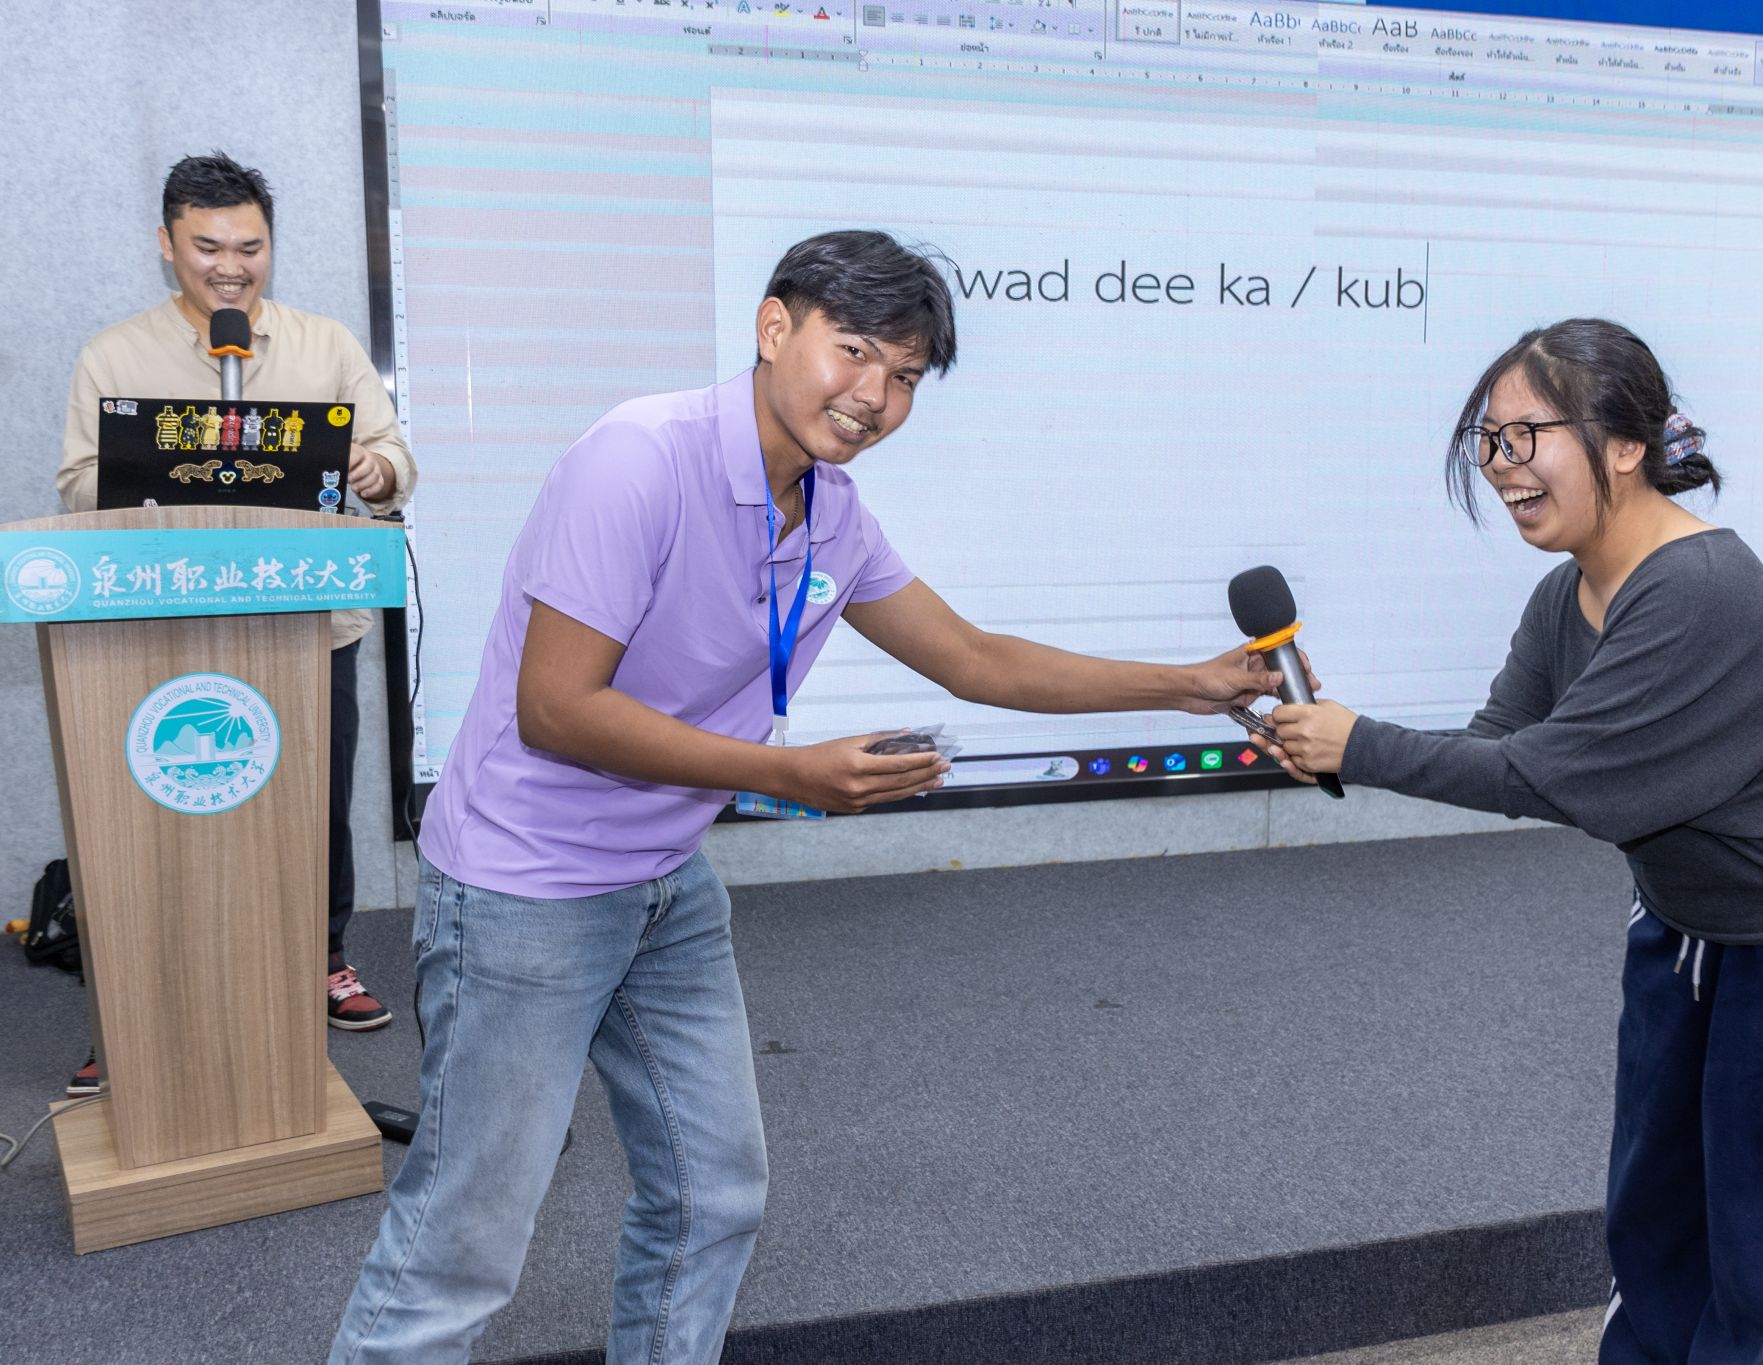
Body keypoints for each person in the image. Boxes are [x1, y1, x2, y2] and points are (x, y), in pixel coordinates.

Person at [326, 229, 1278, 1365]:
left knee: (713, 1196)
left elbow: (975, 659)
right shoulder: (639, 460)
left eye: (906, 376)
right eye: (855, 351)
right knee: (465, 1244)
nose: (875, 396)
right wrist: (791, 775)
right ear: (774, 328)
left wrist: (1191, 684)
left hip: (661, 880)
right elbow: (557, 710)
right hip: (522, 888)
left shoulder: (831, 511)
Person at [1258, 318, 1763, 1363]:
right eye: (1488, 438)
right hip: (1681, 928)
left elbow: (1552, 776)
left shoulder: (1697, 590)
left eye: (1525, 434)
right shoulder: (1565, 592)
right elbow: (1498, 745)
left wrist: (1364, 745)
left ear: (1624, 444)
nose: (1498, 464)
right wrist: (1333, 746)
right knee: (1656, 1234)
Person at [57, 152, 419, 1087]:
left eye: (250, 248)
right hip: (159, 629)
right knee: (161, 808)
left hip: (308, 622)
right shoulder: (114, 354)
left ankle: (322, 958)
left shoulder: (324, 345)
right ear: (167, 244)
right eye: (208, 247)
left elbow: (391, 457)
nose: (231, 267)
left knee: (315, 804)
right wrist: (148, 467)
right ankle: (138, 1003)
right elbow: (76, 482)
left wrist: (376, 468)